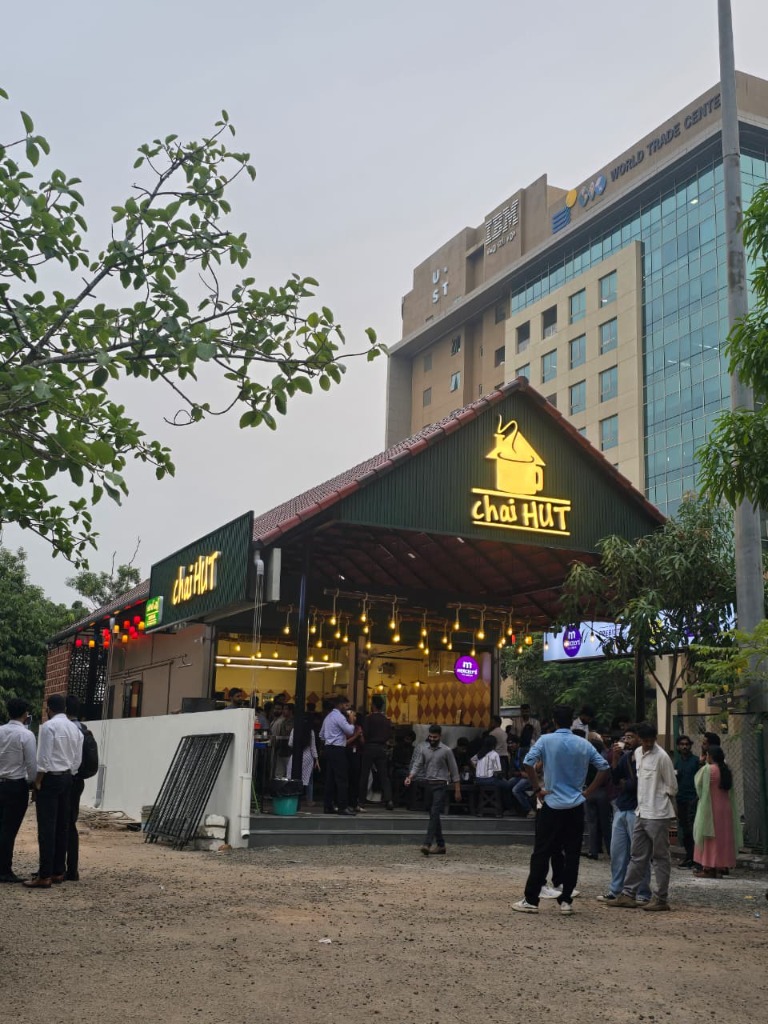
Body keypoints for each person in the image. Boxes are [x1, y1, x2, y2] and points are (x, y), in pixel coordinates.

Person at [512, 705, 609, 914]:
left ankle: (531, 899)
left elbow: (528, 762)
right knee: (572, 852)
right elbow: (604, 767)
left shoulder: (546, 740)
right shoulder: (583, 743)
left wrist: (537, 788)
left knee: (541, 851)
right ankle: (566, 900)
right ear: (571, 720)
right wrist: (587, 792)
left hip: (552, 802)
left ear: (554, 721)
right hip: (575, 804)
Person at [606, 721, 678, 912]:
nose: (647, 744)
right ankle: (628, 894)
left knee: (660, 856)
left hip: (658, 813)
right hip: (642, 812)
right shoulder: (637, 754)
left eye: (650, 740)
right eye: (644, 740)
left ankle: (661, 898)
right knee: (637, 856)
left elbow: (672, 787)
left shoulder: (662, 757)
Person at [23, 693, 84, 889]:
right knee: (62, 826)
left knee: (47, 828)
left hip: (50, 778)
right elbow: (77, 760)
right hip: (68, 777)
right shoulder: (76, 729)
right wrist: (70, 773)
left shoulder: (49, 727)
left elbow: (44, 760)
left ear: (48, 709)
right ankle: (59, 871)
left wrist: (38, 782)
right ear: (65, 709)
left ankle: (45, 874)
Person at [596, 726, 651, 904]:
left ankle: (642, 892)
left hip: (637, 809)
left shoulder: (645, 759)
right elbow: (614, 777)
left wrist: (625, 783)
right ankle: (616, 890)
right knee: (618, 851)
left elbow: (634, 784)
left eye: (630, 737)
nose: (626, 740)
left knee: (638, 853)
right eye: (625, 737)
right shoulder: (626, 757)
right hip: (622, 807)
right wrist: (616, 758)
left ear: (639, 739)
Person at [405, 725, 461, 856]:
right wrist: (410, 777)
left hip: (441, 785)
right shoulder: (425, 750)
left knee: (435, 812)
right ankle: (441, 845)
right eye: (430, 736)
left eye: (434, 737)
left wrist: (457, 790)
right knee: (433, 814)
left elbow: (454, 771)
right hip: (428, 784)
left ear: (439, 737)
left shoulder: (446, 751)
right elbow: (417, 764)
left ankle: (427, 843)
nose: (432, 739)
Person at [0, 697, 37, 883]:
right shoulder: (26, 735)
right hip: (15, 785)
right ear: (25, 714)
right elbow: (31, 765)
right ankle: (4, 869)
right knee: (9, 829)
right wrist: (32, 782)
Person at [693, 746, 742, 878]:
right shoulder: (726, 770)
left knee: (709, 836)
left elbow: (698, 786)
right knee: (723, 837)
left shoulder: (708, 769)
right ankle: (722, 865)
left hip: (710, 807)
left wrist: (701, 763)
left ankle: (708, 868)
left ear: (710, 756)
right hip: (725, 808)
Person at [64, 694, 88, 882]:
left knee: (60, 824)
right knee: (71, 824)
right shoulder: (84, 729)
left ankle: (57, 869)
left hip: (66, 780)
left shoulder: (67, 729)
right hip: (78, 781)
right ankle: (72, 869)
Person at [318, 696, 356, 816]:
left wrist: (329, 740)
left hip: (329, 748)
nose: (347, 708)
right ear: (340, 705)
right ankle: (342, 807)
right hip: (338, 749)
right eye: (346, 706)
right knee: (341, 779)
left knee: (330, 779)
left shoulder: (328, 717)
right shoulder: (339, 717)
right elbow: (349, 731)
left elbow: (321, 735)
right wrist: (352, 721)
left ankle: (328, 805)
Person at [359, 695, 394, 809]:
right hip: (382, 748)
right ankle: (388, 800)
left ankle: (361, 800)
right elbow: (389, 735)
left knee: (364, 774)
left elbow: (365, 733)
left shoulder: (368, 719)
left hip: (369, 747)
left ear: (373, 705)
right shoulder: (386, 720)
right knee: (384, 775)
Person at [674, 734, 699, 868]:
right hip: (681, 799)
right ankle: (689, 856)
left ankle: (696, 858)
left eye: (687, 744)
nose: (684, 746)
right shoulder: (677, 762)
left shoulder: (695, 761)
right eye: (682, 744)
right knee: (684, 829)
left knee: (693, 829)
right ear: (678, 746)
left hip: (693, 799)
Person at [471, 735, 516, 812]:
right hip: (490, 780)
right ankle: (509, 807)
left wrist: (477, 769)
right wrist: (503, 779)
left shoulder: (480, 753)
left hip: (478, 780)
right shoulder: (494, 754)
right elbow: (497, 772)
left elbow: (472, 760)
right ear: (494, 744)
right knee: (508, 785)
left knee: (503, 784)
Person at [287, 717, 319, 807]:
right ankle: (309, 800)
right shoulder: (311, 731)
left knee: (292, 776)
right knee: (309, 779)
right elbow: (313, 747)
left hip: (296, 755)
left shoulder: (295, 729)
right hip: (308, 756)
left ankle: (292, 797)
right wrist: (316, 759)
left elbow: (290, 743)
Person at [271, 703, 294, 778]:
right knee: (279, 773)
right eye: (283, 709)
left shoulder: (293, 722)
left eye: (286, 709)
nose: (283, 711)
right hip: (281, 750)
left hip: (289, 751)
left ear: (291, 711)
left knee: (288, 773)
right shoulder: (283, 721)